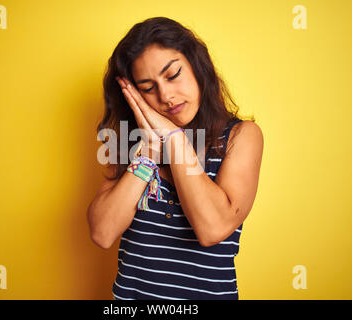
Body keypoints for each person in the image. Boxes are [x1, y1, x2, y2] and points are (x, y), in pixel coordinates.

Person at [87, 17, 263, 300]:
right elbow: (103, 233)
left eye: (173, 74)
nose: (166, 96)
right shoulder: (129, 142)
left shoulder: (241, 136)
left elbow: (212, 229)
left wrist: (175, 138)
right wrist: (149, 152)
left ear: (197, 66)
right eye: (147, 87)